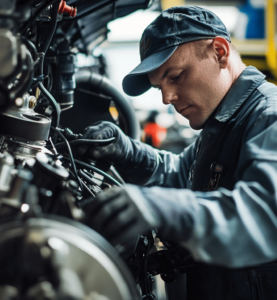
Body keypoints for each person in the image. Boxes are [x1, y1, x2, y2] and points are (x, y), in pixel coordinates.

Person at [76, 6, 277, 300]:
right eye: (160, 87)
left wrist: (163, 207)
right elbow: (182, 175)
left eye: (176, 76)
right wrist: (127, 151)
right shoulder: (221, 124)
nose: (167, 97)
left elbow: (265, 213)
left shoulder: (268, 116)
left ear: (220, 51)